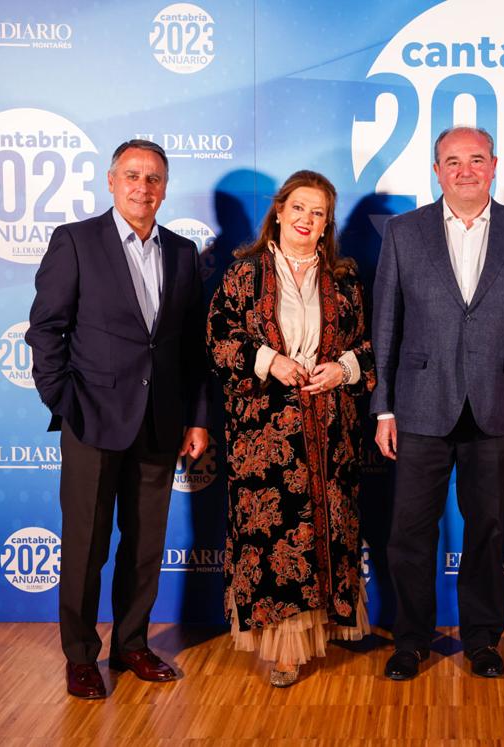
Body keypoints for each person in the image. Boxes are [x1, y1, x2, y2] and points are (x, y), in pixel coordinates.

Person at [26, 139, 210, 699]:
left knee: (145, 542)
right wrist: (65, 402)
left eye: (153, 178)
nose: (142, 187)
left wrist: (197, 418)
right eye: (132, 175)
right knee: (85, 543)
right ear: (110, 181)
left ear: (165, 187)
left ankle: (131, 644)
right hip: (92, 419)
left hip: (160, 422)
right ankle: (81, 655)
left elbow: (191, 349)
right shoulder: (76, 242)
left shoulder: (182, 253)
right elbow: (45, 329)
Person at [372, 126, 504, 680]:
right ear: (436, 170)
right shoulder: (404, 233)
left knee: (488, 529)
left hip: (498, 404)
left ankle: (481, 639)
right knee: (409, 530)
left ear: (495, 165)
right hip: (420, 404)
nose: (466, 170)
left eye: (477, 159)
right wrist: (383, 407)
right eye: (453, 161)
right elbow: (386, 326)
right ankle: (410, 640)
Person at [206, 170, 375, 688]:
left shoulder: (345, 281)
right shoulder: (243, 274)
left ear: (327, 224)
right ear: (278, 211)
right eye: (298, 207)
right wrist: (267, 361)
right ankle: (282, 650)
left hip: (331, 436)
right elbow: (217, 339)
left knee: (328, 531)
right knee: (274, 539)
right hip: (263, 439)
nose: (306, 219)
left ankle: (320, 630)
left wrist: (342, 367)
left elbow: (370, 349)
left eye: (318, 212)